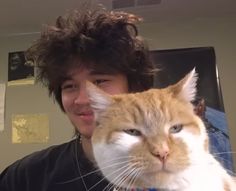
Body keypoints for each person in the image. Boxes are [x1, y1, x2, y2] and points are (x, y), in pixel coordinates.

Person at [0, 6, 155, 191]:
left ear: (135, 89)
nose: (82, 100)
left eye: (100, 81)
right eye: (70, 86)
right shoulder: (25, 177)